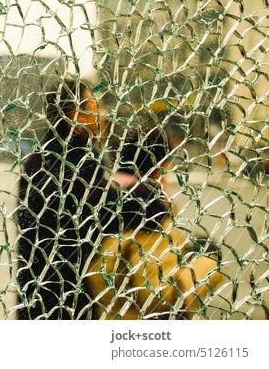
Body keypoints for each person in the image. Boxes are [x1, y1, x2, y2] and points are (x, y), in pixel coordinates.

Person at [85, 124, 225, 319]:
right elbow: (159, 294)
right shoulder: (146, 203)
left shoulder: (105, 190)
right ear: (160, 163)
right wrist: (210, 264)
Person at [16, 78, 118, 319]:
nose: (103, 115)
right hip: (62, 304)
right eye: (96, 108)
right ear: (75, 115)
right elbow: (100, 218)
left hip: (44, 301)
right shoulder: (67, 167)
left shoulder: (43, 160)